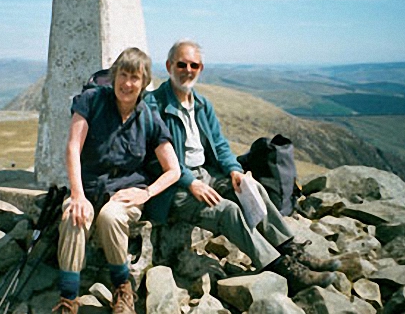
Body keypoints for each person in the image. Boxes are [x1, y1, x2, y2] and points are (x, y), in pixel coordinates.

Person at [145, 39, 339, 293]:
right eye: (181, 64)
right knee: (228, 211)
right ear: (169, 66)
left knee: (252, 188)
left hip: (207, 175)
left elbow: (220, 145)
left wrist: (234, 170)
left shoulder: (202, 105)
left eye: (194, 65)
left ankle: (291, 248)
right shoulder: (153, 105)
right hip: (174, 186)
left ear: (201, 68)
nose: (187, 70)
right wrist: (190, 182)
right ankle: (282, 268)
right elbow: (153, 159)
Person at [38, 47, 180, 314]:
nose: (127, 83)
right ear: (114, 76)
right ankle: (67, 303)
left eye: (135, 78)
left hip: (125, 195)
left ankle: (121, 289)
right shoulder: (91, 101)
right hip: (87, 190)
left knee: (112, 216)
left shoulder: (149, 118)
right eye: (123, 75)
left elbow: (174, 170)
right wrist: (76, 194)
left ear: (143, 84)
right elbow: (73, 147)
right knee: (74, 217)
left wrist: (147, 193)